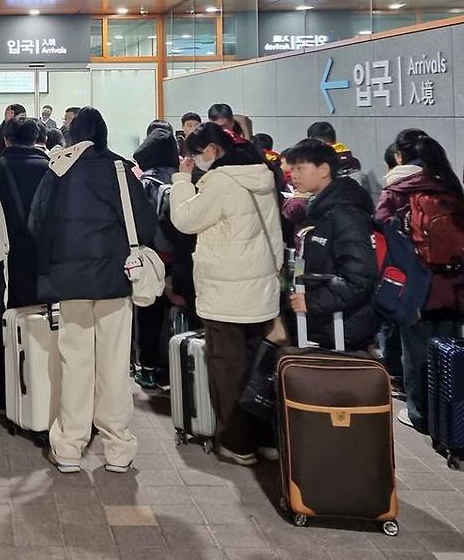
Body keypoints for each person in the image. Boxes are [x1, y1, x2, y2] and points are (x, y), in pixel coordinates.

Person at [29, 107, 156, 474]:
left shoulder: (57, 169)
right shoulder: (119, 169)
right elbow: (144, 225)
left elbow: (35, 223)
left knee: (74, 363)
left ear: (72, 133)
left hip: (68, 284)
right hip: (114, 281)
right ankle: (117, 449)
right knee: (115, 366)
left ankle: (69, 447)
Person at [170, 122, 283, 466]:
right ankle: (267, 439)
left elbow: (185, 219)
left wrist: (180, 181)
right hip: (260, 290)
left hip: (226, 294)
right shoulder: (261, 176)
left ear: (213, 150)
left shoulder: (220, 182)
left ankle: (238, 443)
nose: (194, 158)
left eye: (196, 152)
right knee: (259, 368)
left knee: (228, 371)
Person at [376, 129, 464, 432]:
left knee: (416, 354)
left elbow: (381, 231)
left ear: (400, 156)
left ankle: (421, 416)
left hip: (418, 288)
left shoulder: (399, 190)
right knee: (451, 351)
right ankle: (452, 418)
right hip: (455, 286)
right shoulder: (451, 187)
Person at [0, 117, 49, 411]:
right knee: (41, 322)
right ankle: (39, 383)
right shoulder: (53, 171)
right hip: (42, 262)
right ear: (37, 139)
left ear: (5, 139)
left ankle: (1, 388)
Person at [286, 139, 378, 351]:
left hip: (343, 328)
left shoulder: (345, 213)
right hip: (326, 325)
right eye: (292, 169)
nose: (294, 175)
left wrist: (312, 301)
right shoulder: (321, 209)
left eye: (300, 168)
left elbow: (359, 278)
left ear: (324, 170)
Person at [132, 120, 180, 391]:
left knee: (148, 314)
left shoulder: (146, 181)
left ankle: (147, 369)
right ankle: (179, 369)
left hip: (152, 258)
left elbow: (139, 223)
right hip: (181, 262)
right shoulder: (185, 177)